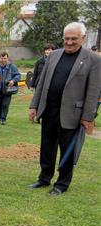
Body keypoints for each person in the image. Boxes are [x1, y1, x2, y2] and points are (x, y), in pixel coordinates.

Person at [28, 22, 101, 195]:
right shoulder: (53, 55)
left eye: (73, 39)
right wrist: (34, 105)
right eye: (66, 38)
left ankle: (61, 184)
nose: (69, 42)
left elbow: (93, 91)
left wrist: (87, 117)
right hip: (49, 110)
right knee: (47, 147)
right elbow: (42, 83)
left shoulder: (94, 60)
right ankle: (44, 178)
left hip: (72, 114)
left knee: (67, 150)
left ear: (82, 39)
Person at [0, 52, 20, 125]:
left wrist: (13, 81)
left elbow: (18, 75)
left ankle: (3, 119)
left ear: (7, 58)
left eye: (5, 58)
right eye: (2, 58)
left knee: (5, 104)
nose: (3, 60)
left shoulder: (12, 67)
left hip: (8, 89)